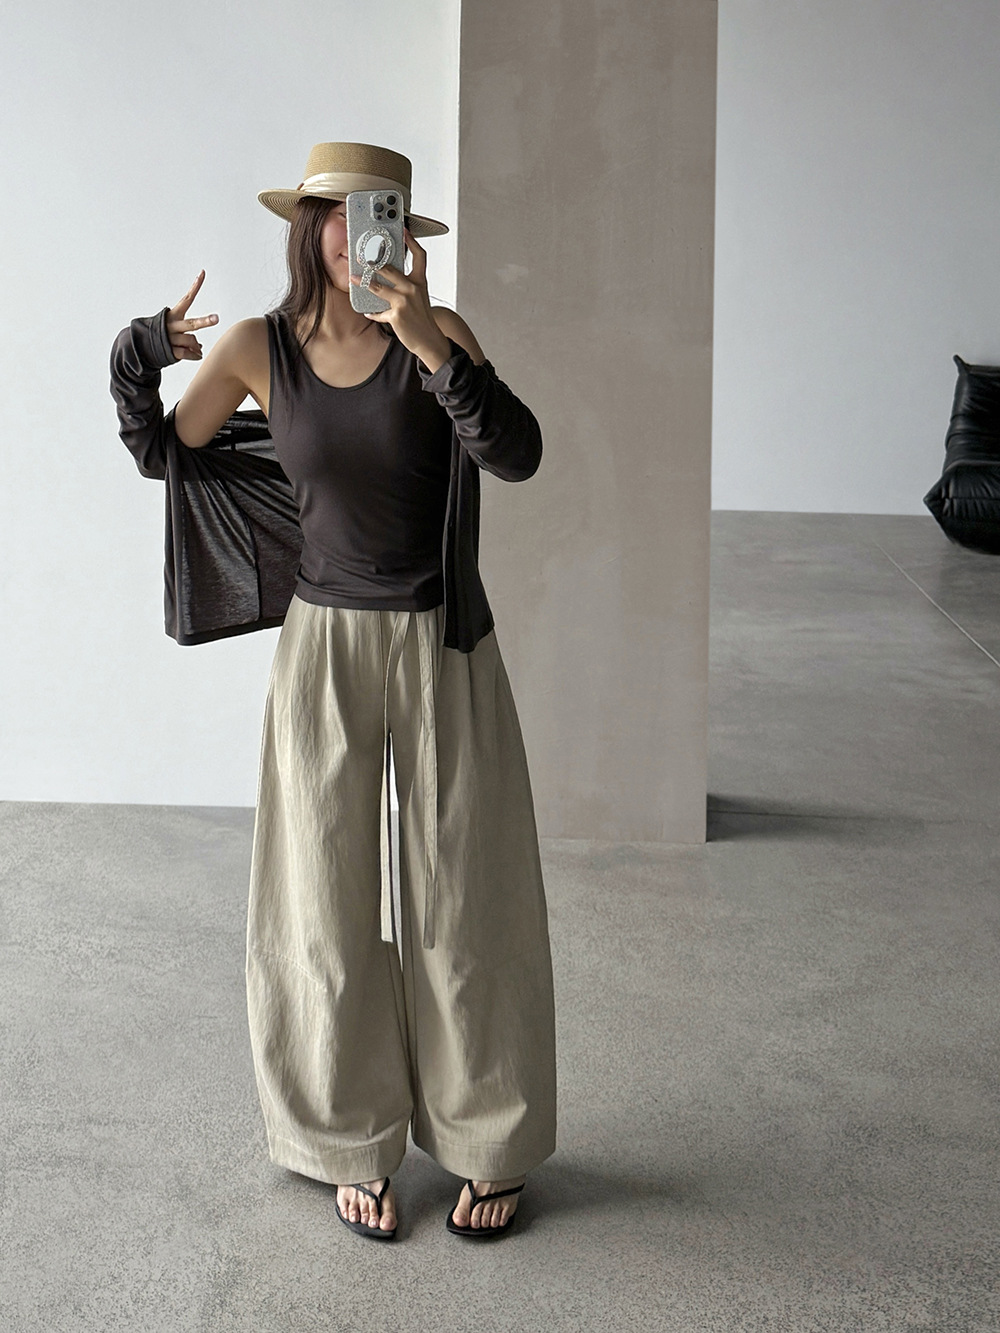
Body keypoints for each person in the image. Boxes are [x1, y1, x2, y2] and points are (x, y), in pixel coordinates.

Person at [130, 142, 557, 1241]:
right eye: (339, 210)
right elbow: (168, 452)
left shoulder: (439, 334)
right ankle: (341, 1136)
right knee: (317, 900)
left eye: (383, 212)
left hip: (443, 641)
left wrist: (432, 347)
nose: (358, 231)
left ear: (401, 230)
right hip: (323, 645)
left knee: (467, 898)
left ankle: (488, 1137)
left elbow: (517, 455)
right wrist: (143, 351)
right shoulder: (258, 346)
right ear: (309, 223)